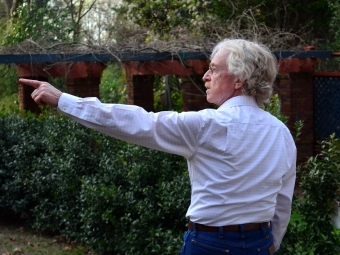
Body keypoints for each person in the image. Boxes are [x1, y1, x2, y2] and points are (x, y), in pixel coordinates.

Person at [19, 38, 296, 255]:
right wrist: (270, 246)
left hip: (209, 245)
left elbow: (137, 122)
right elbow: (282, 204)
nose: (205, 77)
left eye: (213, 69)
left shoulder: (207, 126)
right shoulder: (281, 133)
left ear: (239, 80)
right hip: (260, 245)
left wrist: (62, 99)